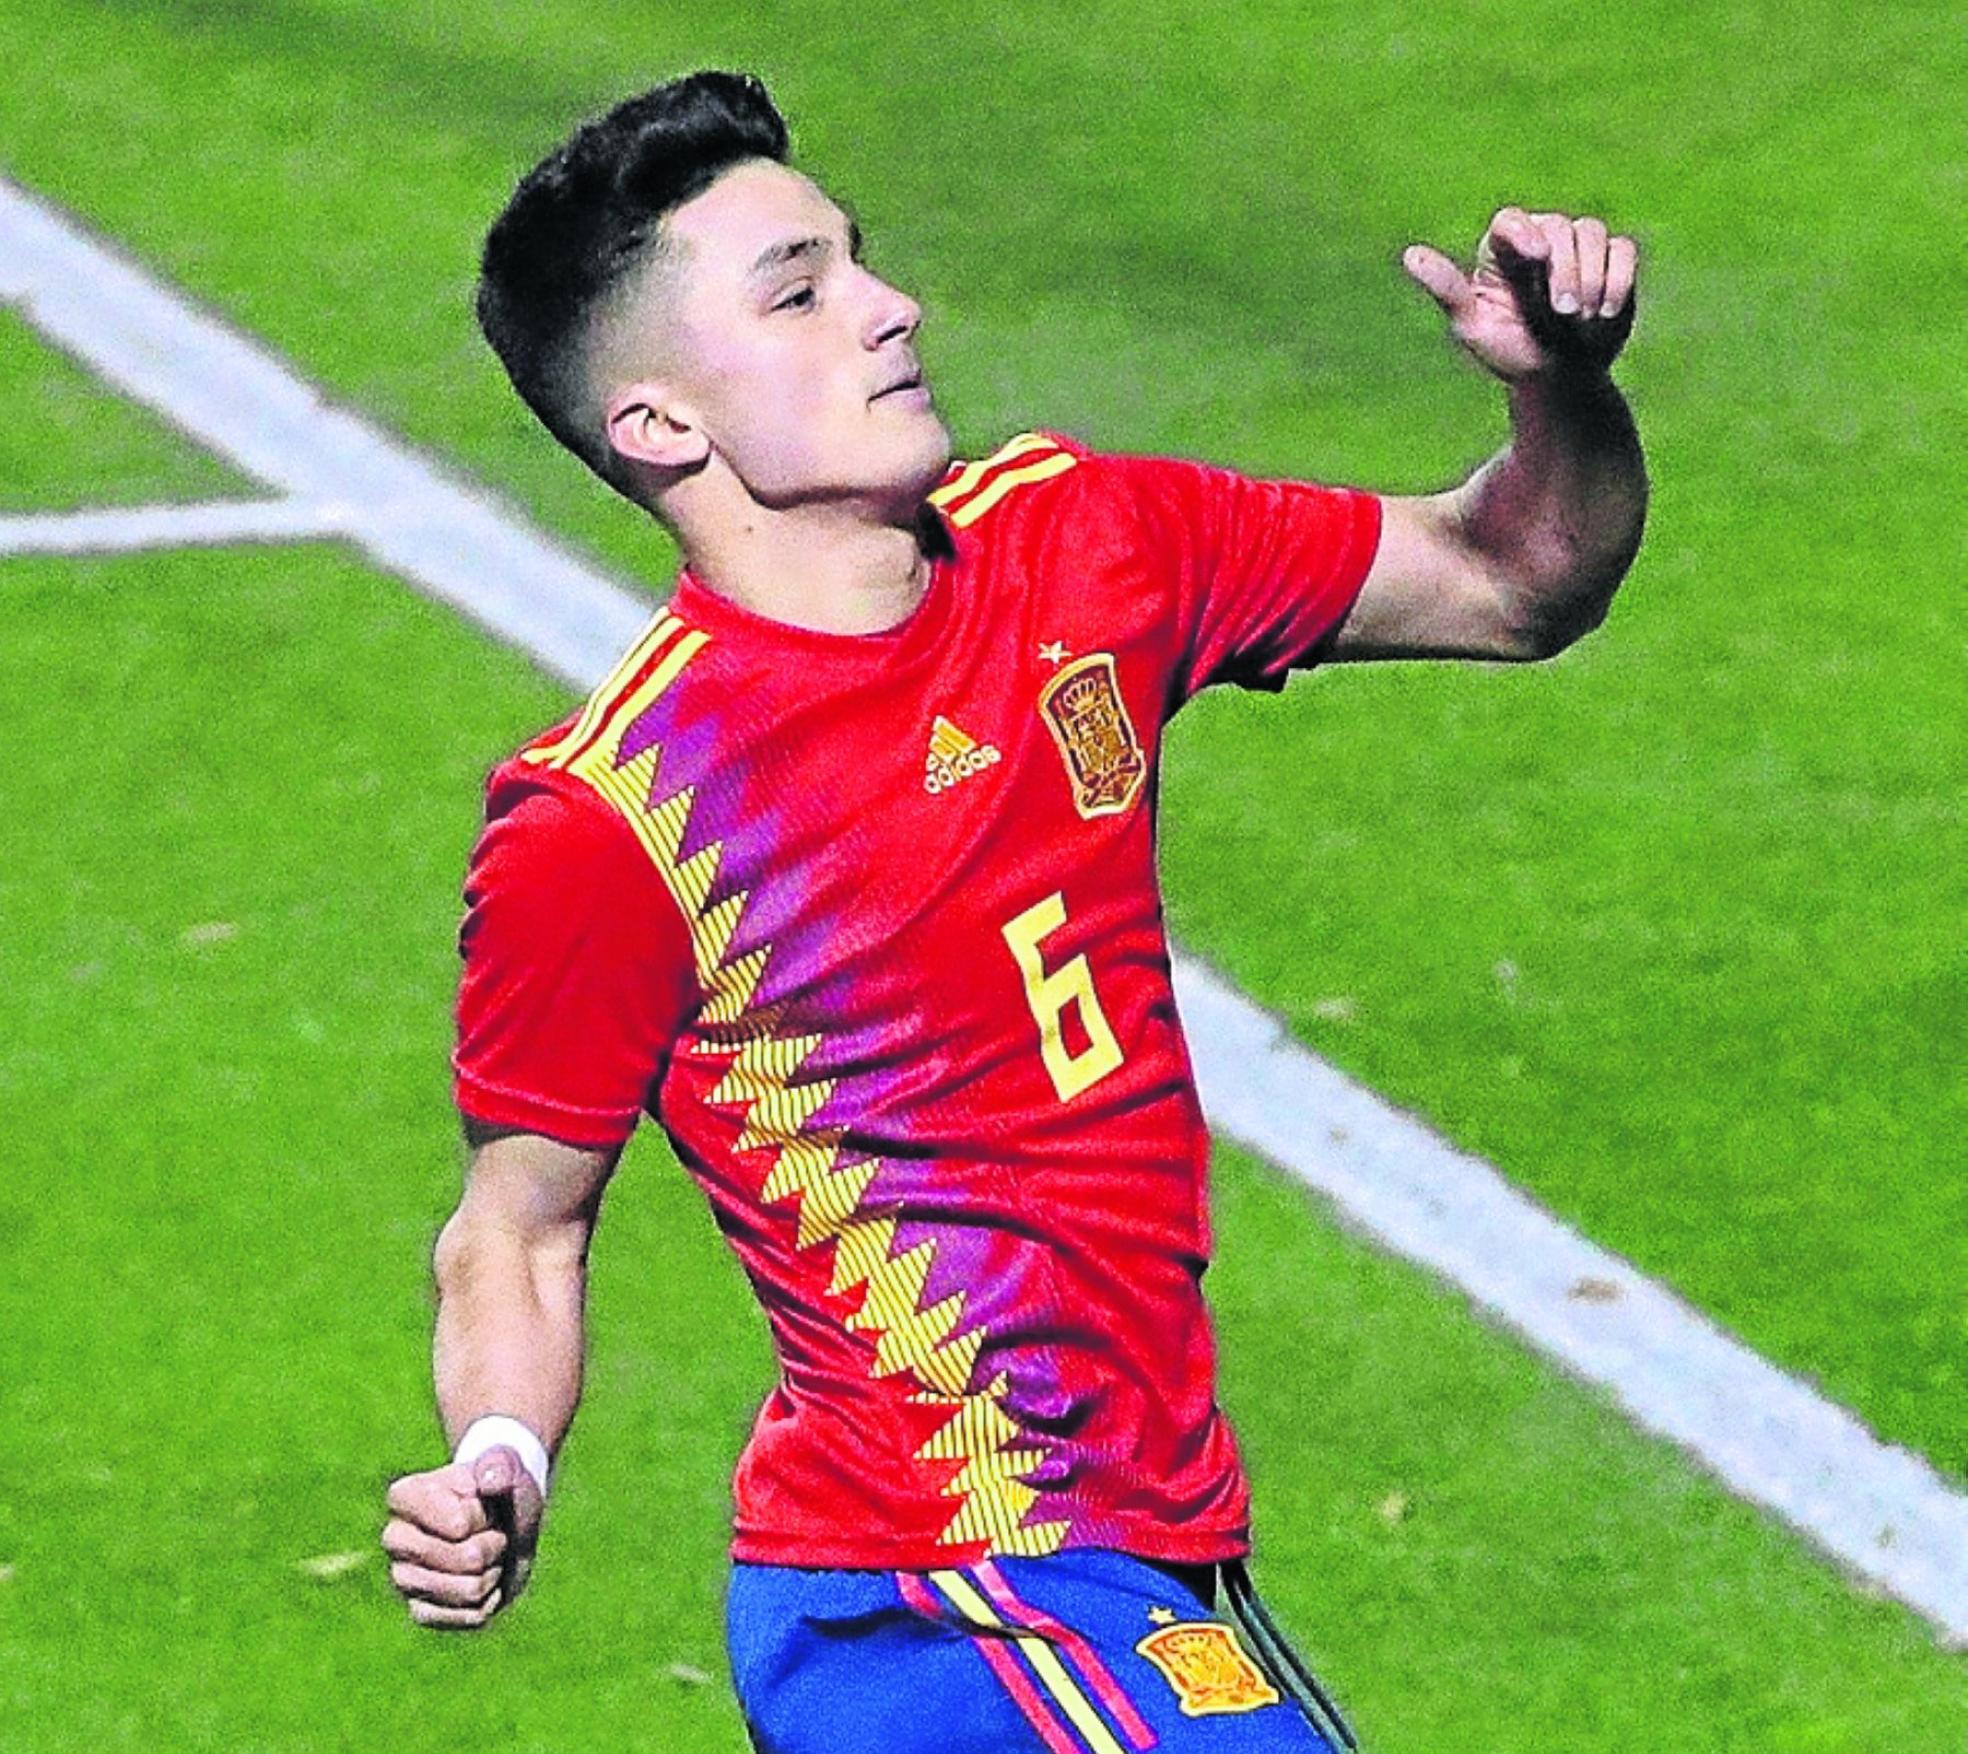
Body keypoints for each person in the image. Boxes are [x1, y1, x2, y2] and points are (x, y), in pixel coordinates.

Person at [379, 69, 1646, 1753]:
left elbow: (1516, 576)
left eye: (857, 260)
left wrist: (1561, 391)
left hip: (1143, 1555)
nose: (890, 309)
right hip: (939, 1581)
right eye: (800, 293)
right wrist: (500, 1461)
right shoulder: (619, 816)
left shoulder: (1079, 540)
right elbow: (518, 1225)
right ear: (661, 425)